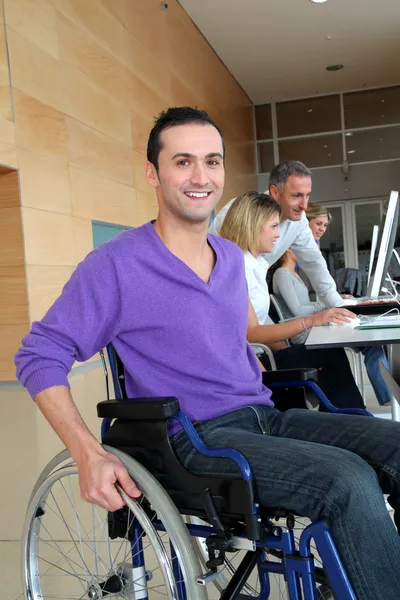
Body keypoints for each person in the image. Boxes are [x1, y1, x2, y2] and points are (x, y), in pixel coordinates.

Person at [14, 107, 400, 599]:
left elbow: (241, 338)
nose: (201, 177)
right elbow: (39, 354)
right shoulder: (115, 265)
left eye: (212, 162)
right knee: (347, 480)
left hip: (264, 417)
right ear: (153, 173)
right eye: (183, 162)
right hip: (193, 438)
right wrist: (86, 451)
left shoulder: (231, 261)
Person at [219, 191, 365, 410]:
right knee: (330, 354)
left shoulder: (255, 264)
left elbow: (258, 324)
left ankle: (347, 418)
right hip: (251, 362)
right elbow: (251, 332)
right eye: (274, 226)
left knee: (328, 354)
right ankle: (353, 420)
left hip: (260, 354)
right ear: (253, 226)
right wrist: (311, 321)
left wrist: (286, 348)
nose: (278, 235)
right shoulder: (238, 266)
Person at [209, 159, 345, 307]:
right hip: (221, 299)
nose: (304, 205)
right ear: (275, 192)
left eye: (307, 196)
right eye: (296, 196)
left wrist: (340, 306)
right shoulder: (240, 212)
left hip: (254, 298)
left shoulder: (298, 222)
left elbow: (314, 263)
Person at [302, 203, 392, 407]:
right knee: (370, 342)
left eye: (325, 225)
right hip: (308, 326)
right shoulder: (296, 249)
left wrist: (338, 299)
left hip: (317, 315)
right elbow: (312, 294)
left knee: (371, 341)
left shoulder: (311, 246)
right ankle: (389, 399)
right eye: (318, 223)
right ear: (305, 220)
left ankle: (389, 398)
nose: (322, 229)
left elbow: (322, 289)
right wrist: (330, 306)